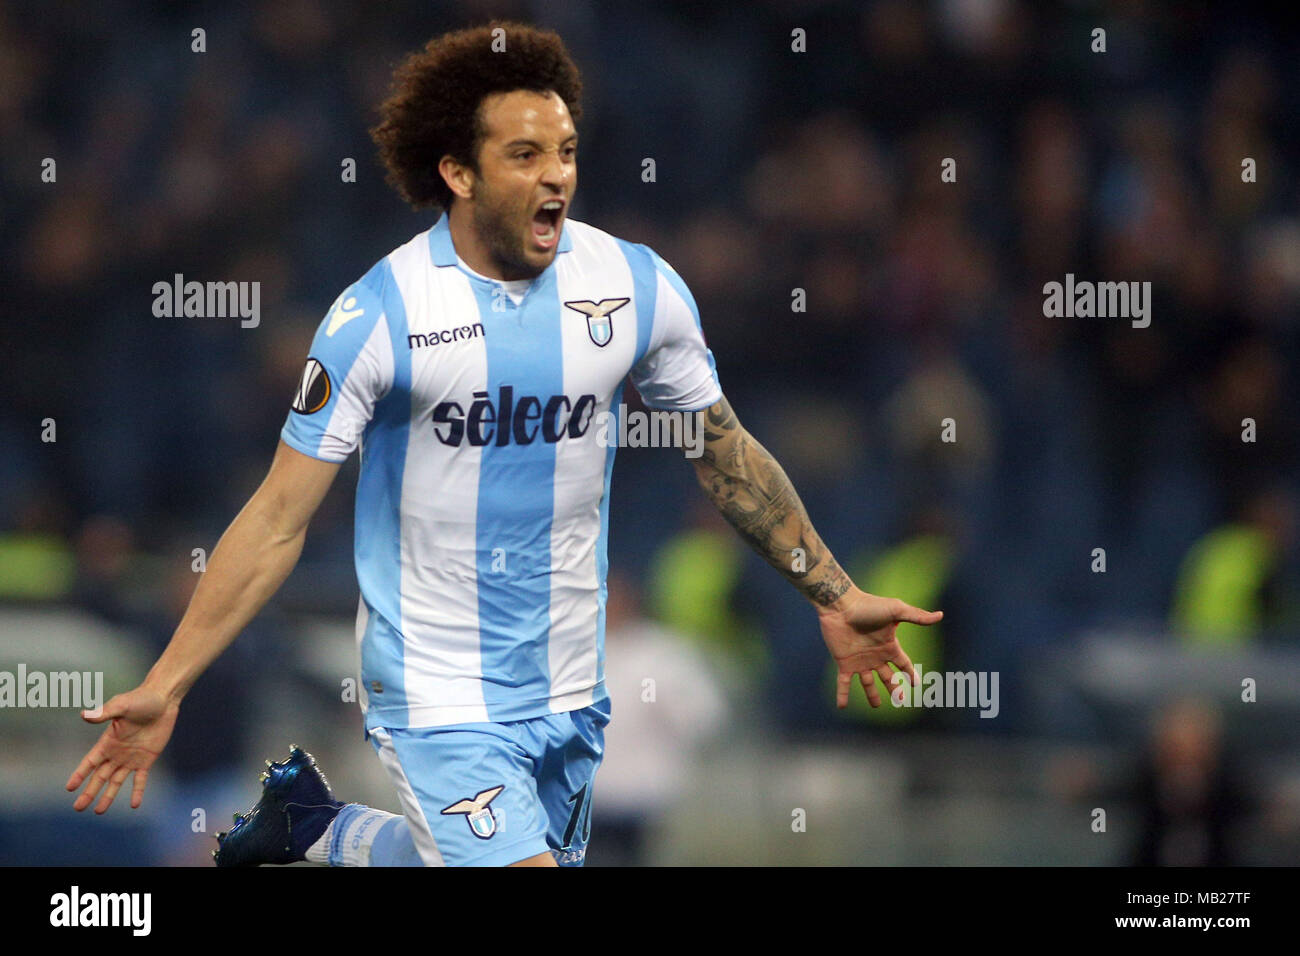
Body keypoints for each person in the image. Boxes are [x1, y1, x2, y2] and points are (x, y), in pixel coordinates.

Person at [66, 21, 941, 868]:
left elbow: (723, 453)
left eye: (563, 150)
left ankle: (313, 825)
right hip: (433, 687)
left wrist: (830, 591)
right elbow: (278, 519)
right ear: (457, 172)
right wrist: (169, 681)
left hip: (567, 683)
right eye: (524, 155)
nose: (555, 175)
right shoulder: (380, 316)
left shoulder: (637, 288)